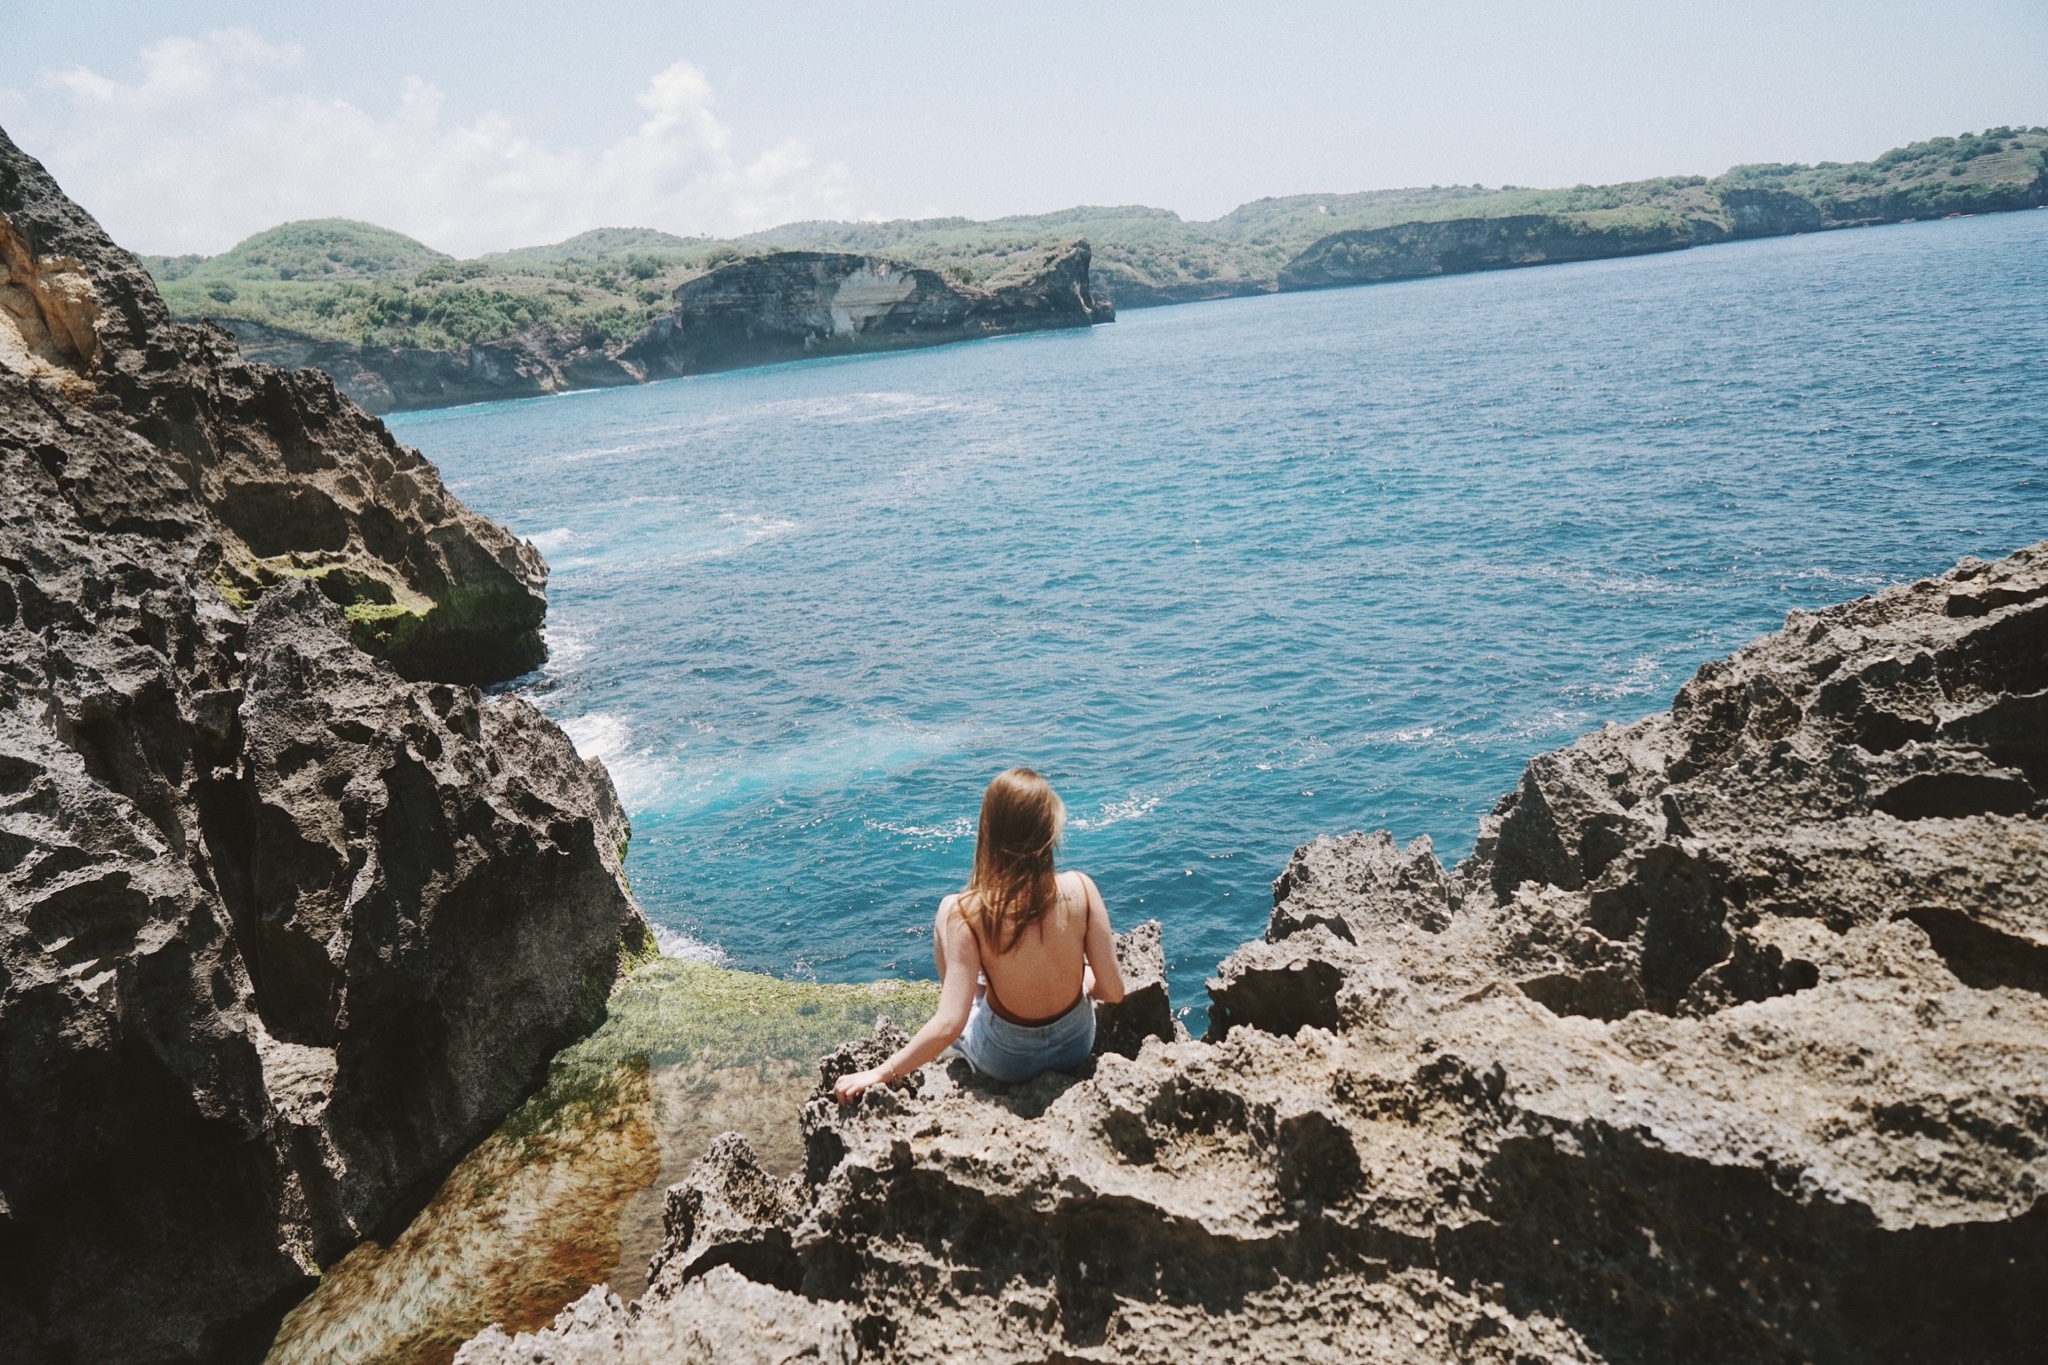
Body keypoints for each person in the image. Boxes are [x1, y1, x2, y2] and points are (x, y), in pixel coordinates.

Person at [834, 767, 1125, 1103]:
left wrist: (878, 1073)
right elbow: (1114, 991)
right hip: (1077, 1046)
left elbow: (949, 1025)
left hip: (1007, 1061)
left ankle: (973, 998)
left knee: (947, 911)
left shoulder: (965, 914)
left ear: (989, 831)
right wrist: (1084, 979)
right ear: (1049, 829)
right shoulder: (1082, 890)